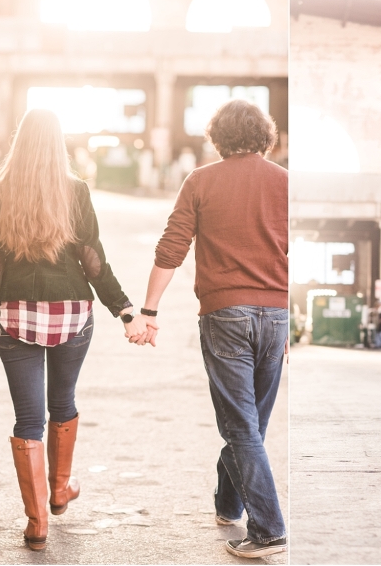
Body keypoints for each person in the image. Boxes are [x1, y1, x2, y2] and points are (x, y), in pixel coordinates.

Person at [0, 109, 146, 551]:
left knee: (28, 419)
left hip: (14, 315)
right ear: (57, 144)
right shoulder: (76, 191)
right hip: (71, 314)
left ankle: (37, 524)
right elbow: (92, 260)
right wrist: (125, 310)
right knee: (62, 402)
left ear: (20, 143)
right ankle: (60, 491)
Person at [133, 99, 288, 559]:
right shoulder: (285, 183)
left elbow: (171, 248)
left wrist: (150, 310)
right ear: (264, 134)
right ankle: (228, 503)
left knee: (242, 426)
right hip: (276, 315)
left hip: (225, 315)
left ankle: (269, 529)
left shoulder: (201, 180)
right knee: (250, 423)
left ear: (217, 137)